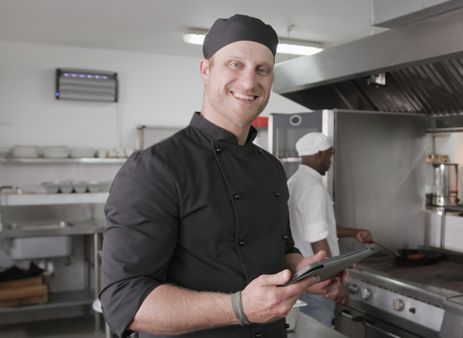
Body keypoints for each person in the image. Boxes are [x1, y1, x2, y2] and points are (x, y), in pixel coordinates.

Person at [99, 14, 342, 338]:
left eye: (262, 70)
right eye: (235, 64)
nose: (249, 82)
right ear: (205, 70)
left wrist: (303, 270)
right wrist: (238, 308)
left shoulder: (270, 167)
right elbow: (124, 299)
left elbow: (279, 249)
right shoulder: (155, 168)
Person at [287, 132, 373, 326]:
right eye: (329, 154)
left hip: (301, 275)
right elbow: (318, 241)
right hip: (317, 282)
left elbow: (316, 226)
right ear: (318, 154)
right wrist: (335, 281)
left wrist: (353, 232)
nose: (330, 160)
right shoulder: (313, 188)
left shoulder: (294, 182)